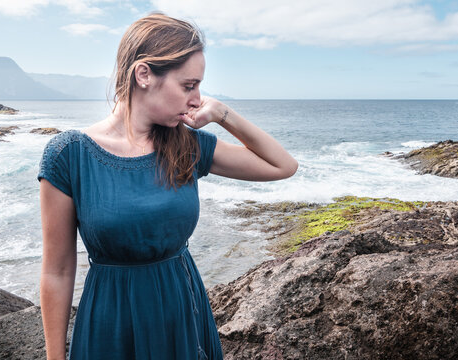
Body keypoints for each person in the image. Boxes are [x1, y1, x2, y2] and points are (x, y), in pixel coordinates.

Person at [38, 12, 298, 360]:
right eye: (188, 86)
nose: (197, 99)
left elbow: (282, 165)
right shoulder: (68, 155)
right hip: (111, 324)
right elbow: (57, 271)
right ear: (144, 74)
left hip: (182, 317)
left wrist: (221, 113)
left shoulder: (187, 146)